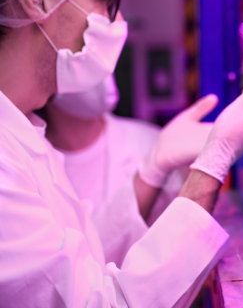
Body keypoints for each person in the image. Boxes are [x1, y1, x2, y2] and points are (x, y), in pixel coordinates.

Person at [0, 0, 243, 307]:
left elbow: (82, 266)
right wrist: (213, 163)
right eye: (106, 0)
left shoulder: (21, 133)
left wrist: (153, 166)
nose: (120, 21)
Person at [44, 75, 209, 267]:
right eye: (79, 48)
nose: (101, 66)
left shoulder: (154, 143)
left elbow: (181, 258)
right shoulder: (21, 162)